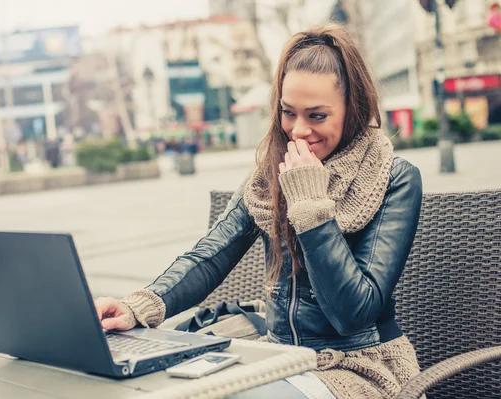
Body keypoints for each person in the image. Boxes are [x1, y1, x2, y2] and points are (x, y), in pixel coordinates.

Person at [95, 25, 423, 399]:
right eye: (288, 112)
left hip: (359, 366)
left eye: (317, 116)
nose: (299, 131)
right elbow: (209, 255)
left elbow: (354, 313)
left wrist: (310, 208)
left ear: (353, 109)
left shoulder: (395, 178)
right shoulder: (270, 175)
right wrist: (137, 306)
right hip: (281, 358)